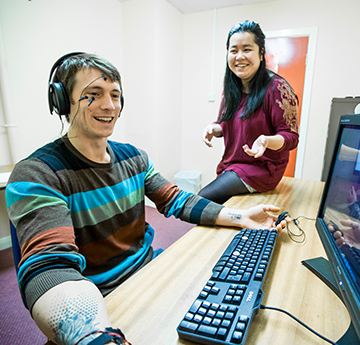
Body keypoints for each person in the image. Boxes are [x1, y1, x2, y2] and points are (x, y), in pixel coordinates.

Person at [6, 52, 288, 345]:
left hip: (148, 271)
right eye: (93, 94)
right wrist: (96, 336)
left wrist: (242, 217)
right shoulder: (38, 173)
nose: (109, 105)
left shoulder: (134, 157)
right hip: (101, 297)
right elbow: (50, 267)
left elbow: (176, 200)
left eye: (115, 95)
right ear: (63, 102)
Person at [199, 20, 299, 204]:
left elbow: (291, 137)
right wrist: (215, 128)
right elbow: (226, 123)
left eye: (247, 49)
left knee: (201, 200)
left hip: (262, 168)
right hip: (233, 165)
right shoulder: (231, 88)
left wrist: (266, 141)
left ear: (261, 54)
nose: (239, 56)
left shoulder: (277, 88)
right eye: (233, 50)